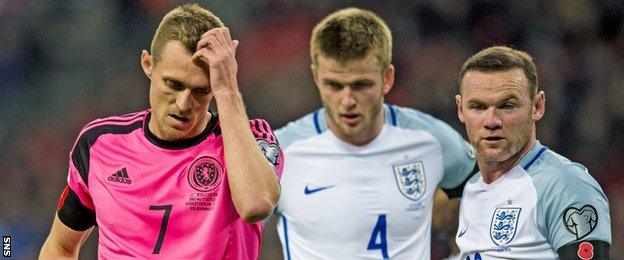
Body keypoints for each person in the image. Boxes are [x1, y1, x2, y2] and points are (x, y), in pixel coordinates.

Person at [39, 4, 283, 259]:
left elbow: (257, 205)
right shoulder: (100, 144)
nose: (183, 104)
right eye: (174, 85)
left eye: (201, 91)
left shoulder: (251, 140)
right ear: (148, 64)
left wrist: (227, 89)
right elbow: (60, 247)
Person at [273, 7, 476, 259]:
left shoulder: (431, 140)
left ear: (387, 78)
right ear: (316, 77)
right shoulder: (280, 150)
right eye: (334, 85)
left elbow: (491, 194)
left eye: (361, 85)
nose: (347, 101)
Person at [454, 46, 611, 259]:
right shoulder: (473, 187)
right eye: (478, 107)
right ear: (461, 109)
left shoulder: (565, 186)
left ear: (537, 106)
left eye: (507, 105)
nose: (491, 121)